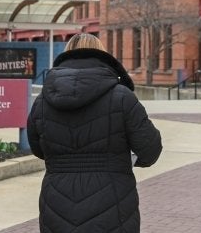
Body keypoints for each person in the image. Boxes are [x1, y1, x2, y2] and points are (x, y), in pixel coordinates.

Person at [26, 33, 162, 232]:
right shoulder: (122, 97)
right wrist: (124, 159)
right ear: (102, 55)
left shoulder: (43, 101)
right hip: (113, 200)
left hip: (57, 201)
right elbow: (150, 150)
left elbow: (37, 148)